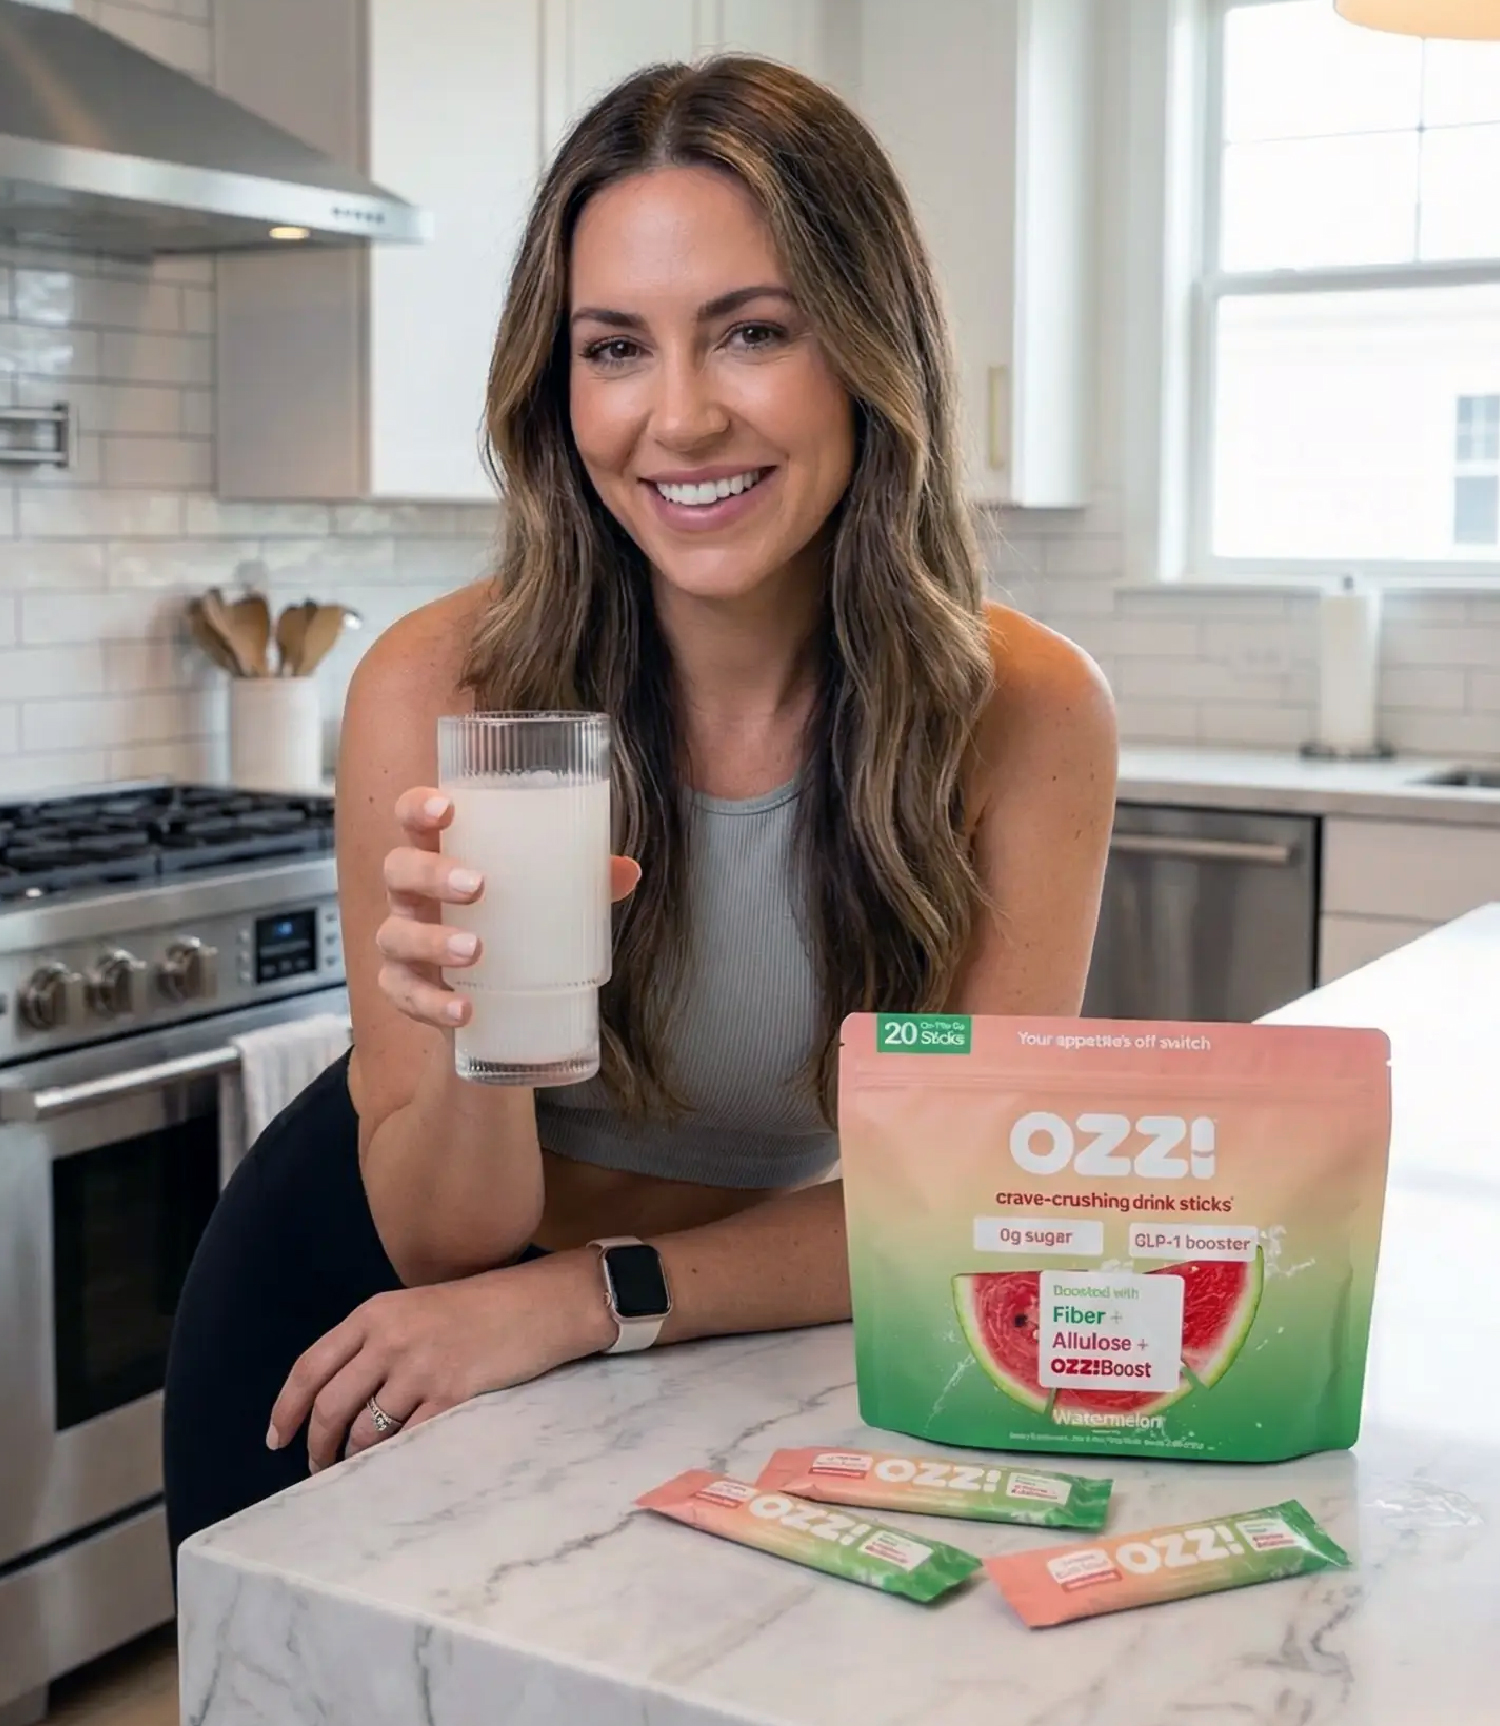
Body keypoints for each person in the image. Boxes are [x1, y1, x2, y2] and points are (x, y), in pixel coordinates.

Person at [163, 53, 1115, 1554]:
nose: (676, 418)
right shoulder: (447, 688)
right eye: (614, 348)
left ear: (870, 350)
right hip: (368, 1334)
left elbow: (958, 1208)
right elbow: (444, 1234)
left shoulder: (1021, 712)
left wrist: (582, 1299)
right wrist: (477, 1026)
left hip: (686, 1334)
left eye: (749, 333)